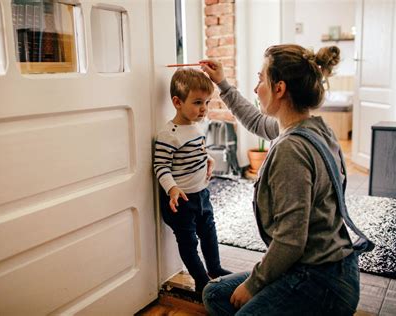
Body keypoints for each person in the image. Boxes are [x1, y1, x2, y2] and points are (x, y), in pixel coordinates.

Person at [199, 44, 361, 315]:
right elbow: (255, 121)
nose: (255, 87)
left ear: (279, 88)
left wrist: (254, 284)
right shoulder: (312, 126)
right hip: (323, 266)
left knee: (240, 307)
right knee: (215, 293)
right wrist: (223, 84)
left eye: (261, 78)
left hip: (323, 280)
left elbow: (290, 241)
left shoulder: (291, 150)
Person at [154, 68, 232, 293]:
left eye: (207, 102)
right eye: (198, 102)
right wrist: (172, 188)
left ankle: (214, 269)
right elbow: (161, 166)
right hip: (182, 200)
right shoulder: (170, 134)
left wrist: (207, 158)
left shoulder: (195, 127)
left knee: (209, 232)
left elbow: (195, 150)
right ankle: (201, 280)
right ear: (177, 102)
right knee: (188, 242)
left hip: (202, 193)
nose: (204, 109)